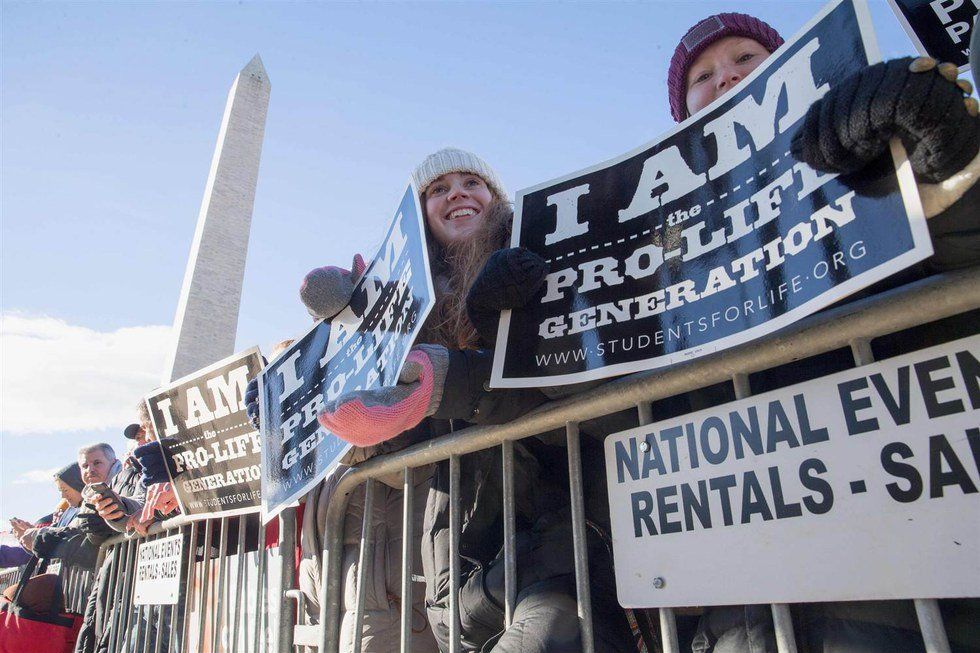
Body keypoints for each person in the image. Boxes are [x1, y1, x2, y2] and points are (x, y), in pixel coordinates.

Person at [659, 12, 979, 653]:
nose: (726, 81)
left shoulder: (864, 149)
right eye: (702, 76)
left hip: (900, 581)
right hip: (740, 600)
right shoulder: (665, 239)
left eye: (745, 59)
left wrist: (943, 162)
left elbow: (960, 267)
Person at [309, 148, 635, 652]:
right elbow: (390, 452)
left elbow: (584, 378)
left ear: (497, 198)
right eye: (437, 189)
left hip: (563, 539)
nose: (456, 193)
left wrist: (471, 356)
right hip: (456, 562)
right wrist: (326, 398)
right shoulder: (406, 310)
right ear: (419, 218)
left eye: (471, 182)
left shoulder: (546, 255)